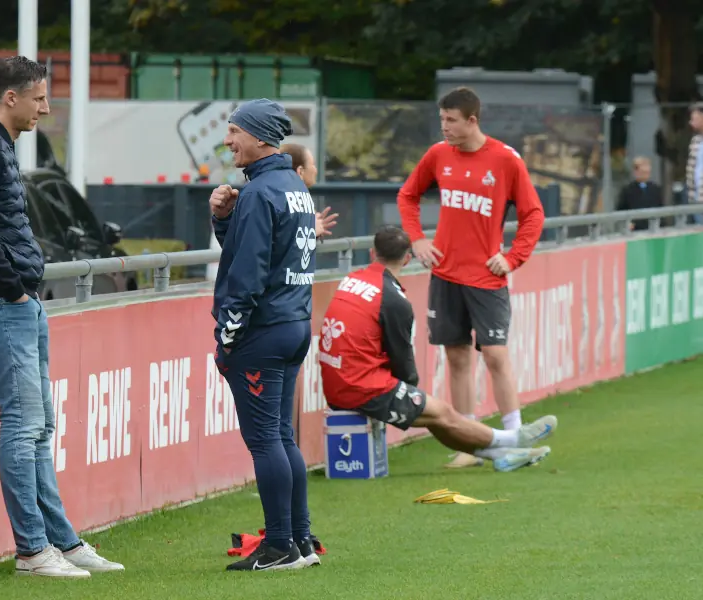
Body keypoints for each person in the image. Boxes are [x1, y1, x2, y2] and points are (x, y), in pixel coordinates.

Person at [0, 56, 123, 578]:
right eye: (39, 99)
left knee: (40, 426)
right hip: (4, 304)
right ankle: (31, 550)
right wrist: (13, 290)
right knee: (24, 429)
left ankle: (62, 542)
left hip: (19, 301)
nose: (45, 109)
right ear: (11, 98)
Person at [320, 225, 557, 472]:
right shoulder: (393, 300)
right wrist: (410, 389)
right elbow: (403, 364)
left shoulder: (351, 280)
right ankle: (512, 438)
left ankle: (501, 456)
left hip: (337, 383)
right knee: (441, 412)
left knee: (433, 416)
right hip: (360, 387)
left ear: (371, 254)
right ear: (408, 258)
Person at [396, 86, 545, 469]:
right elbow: (408, 196)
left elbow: (533, 215)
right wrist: (417, 240)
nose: (444, 127)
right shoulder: (438, 154)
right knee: (457, 358)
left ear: (472, 121)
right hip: (445, 275)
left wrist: (512, 258)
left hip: (487, 277)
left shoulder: (505, 160)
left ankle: (513, 436)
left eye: (451, 120)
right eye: (442, 119)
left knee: (495, 355)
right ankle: (471, 445)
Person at [208, 99, 317, 571]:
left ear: (259, 136)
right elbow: (259, 252)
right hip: (294, 324)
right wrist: (224, 220)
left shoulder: (259, 192)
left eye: (234, 131)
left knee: (265, 440)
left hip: (264, 330)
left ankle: (278, 547)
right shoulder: (293, 184)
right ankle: (301, 539)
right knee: (282, 436)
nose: (228, 140)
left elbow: (247, 273)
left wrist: (227, 337)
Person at [280, 142, 339, 237]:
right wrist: (311, 231)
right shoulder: (281, 201)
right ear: (300, 171)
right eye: (313, 164)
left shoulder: (297, 199)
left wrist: (313, 232)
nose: (316, 171)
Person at [615, 156, 662, 231]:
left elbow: (661, 208)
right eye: (643, 172)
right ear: (636, 172)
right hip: (635, 231)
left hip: (653, 229)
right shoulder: (628, 190)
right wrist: (627, 224)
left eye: (647, 172)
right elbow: (620, 210)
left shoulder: (655, 188)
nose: (646, 175)